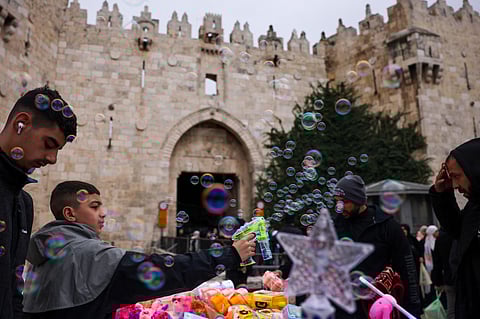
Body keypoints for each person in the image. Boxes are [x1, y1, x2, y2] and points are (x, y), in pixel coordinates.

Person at [22, 181, 256, 319]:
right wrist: (230, 255)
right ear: (70, 214)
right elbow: (165, 271)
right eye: (94, 207)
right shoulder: (91, 255)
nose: (103, 212)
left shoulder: (45, 252)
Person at [0, 86, 77, 319]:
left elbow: (13, 289)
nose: (52, 159)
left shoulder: (24, 203)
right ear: (20, 123)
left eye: (58, 150)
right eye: (49, 144)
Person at [333, 175, 421, 319]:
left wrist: (413, 308)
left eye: (345, 202)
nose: (339, 207)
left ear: (358, 200)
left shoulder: (387, 226)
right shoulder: (335, 226)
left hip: (378, 307)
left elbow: (407, 268)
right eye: (337, 202)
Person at [430, 138, 480, 318]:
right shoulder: (474, 207)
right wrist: (442, 194)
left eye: (457, 176)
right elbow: (457, 230)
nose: (456, 186)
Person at [431, 228, 455, 319]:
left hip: (449, 277)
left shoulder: (441, 238)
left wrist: (438, 282)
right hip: (466, 277)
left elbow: (437, 262)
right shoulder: (465, 231)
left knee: (451, 308)